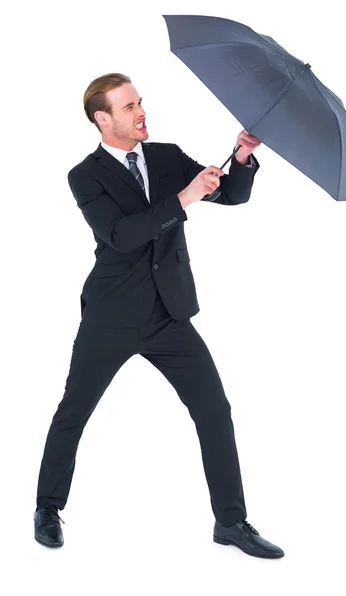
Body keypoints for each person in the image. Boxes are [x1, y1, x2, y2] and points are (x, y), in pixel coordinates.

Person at [33, 72, 284, 559]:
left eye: (140, 102)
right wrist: (185, 198)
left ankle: (231, 523)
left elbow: (231, 194)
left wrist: (242, 156)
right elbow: (121, 236)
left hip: (169, 313)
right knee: (74, 412)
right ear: (102, 119)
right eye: (128, 107)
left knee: (214, 410)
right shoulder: (84, 175)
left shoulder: (166, 156)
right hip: (112, 316)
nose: (141, 111)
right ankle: (47, 506)